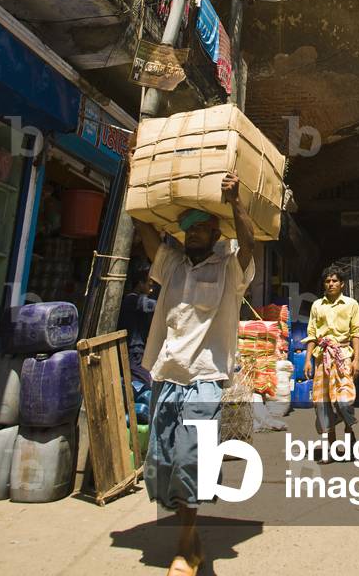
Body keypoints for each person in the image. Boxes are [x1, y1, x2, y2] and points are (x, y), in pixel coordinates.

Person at [134, 172, 255, 576]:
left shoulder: (229, 269)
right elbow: (145, 229)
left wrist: (235, 201)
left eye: (202, 228)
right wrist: (137, 177)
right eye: (189, 229)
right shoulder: (171, 264)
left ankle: (184, 552)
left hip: (204, 380)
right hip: (166, 377)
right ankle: (192, 540)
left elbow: (249, 244)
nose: (194, 234)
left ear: (216, 233)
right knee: (165, 463)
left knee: (191, 461)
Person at [303, 264, 359, 449]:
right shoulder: (317, 305)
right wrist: (307, 360)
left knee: (344, 401)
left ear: (342, 284)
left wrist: (357, 359)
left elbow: (356, 333)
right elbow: (312, 334)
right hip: (322, 359)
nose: (331, 284)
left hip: (343, 357)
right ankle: (331, 446)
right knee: (323, 402)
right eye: (327, 281)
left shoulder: (351, 304)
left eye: (334, 281)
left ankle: (349, 429)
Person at [118, 258, 157, 387]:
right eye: (149, 285)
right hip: (134, 350)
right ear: (140, 284)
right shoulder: (132, 300)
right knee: (142, 382)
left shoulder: (133, 300)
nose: (151, 290)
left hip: (138, 349)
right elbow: (153, 306)